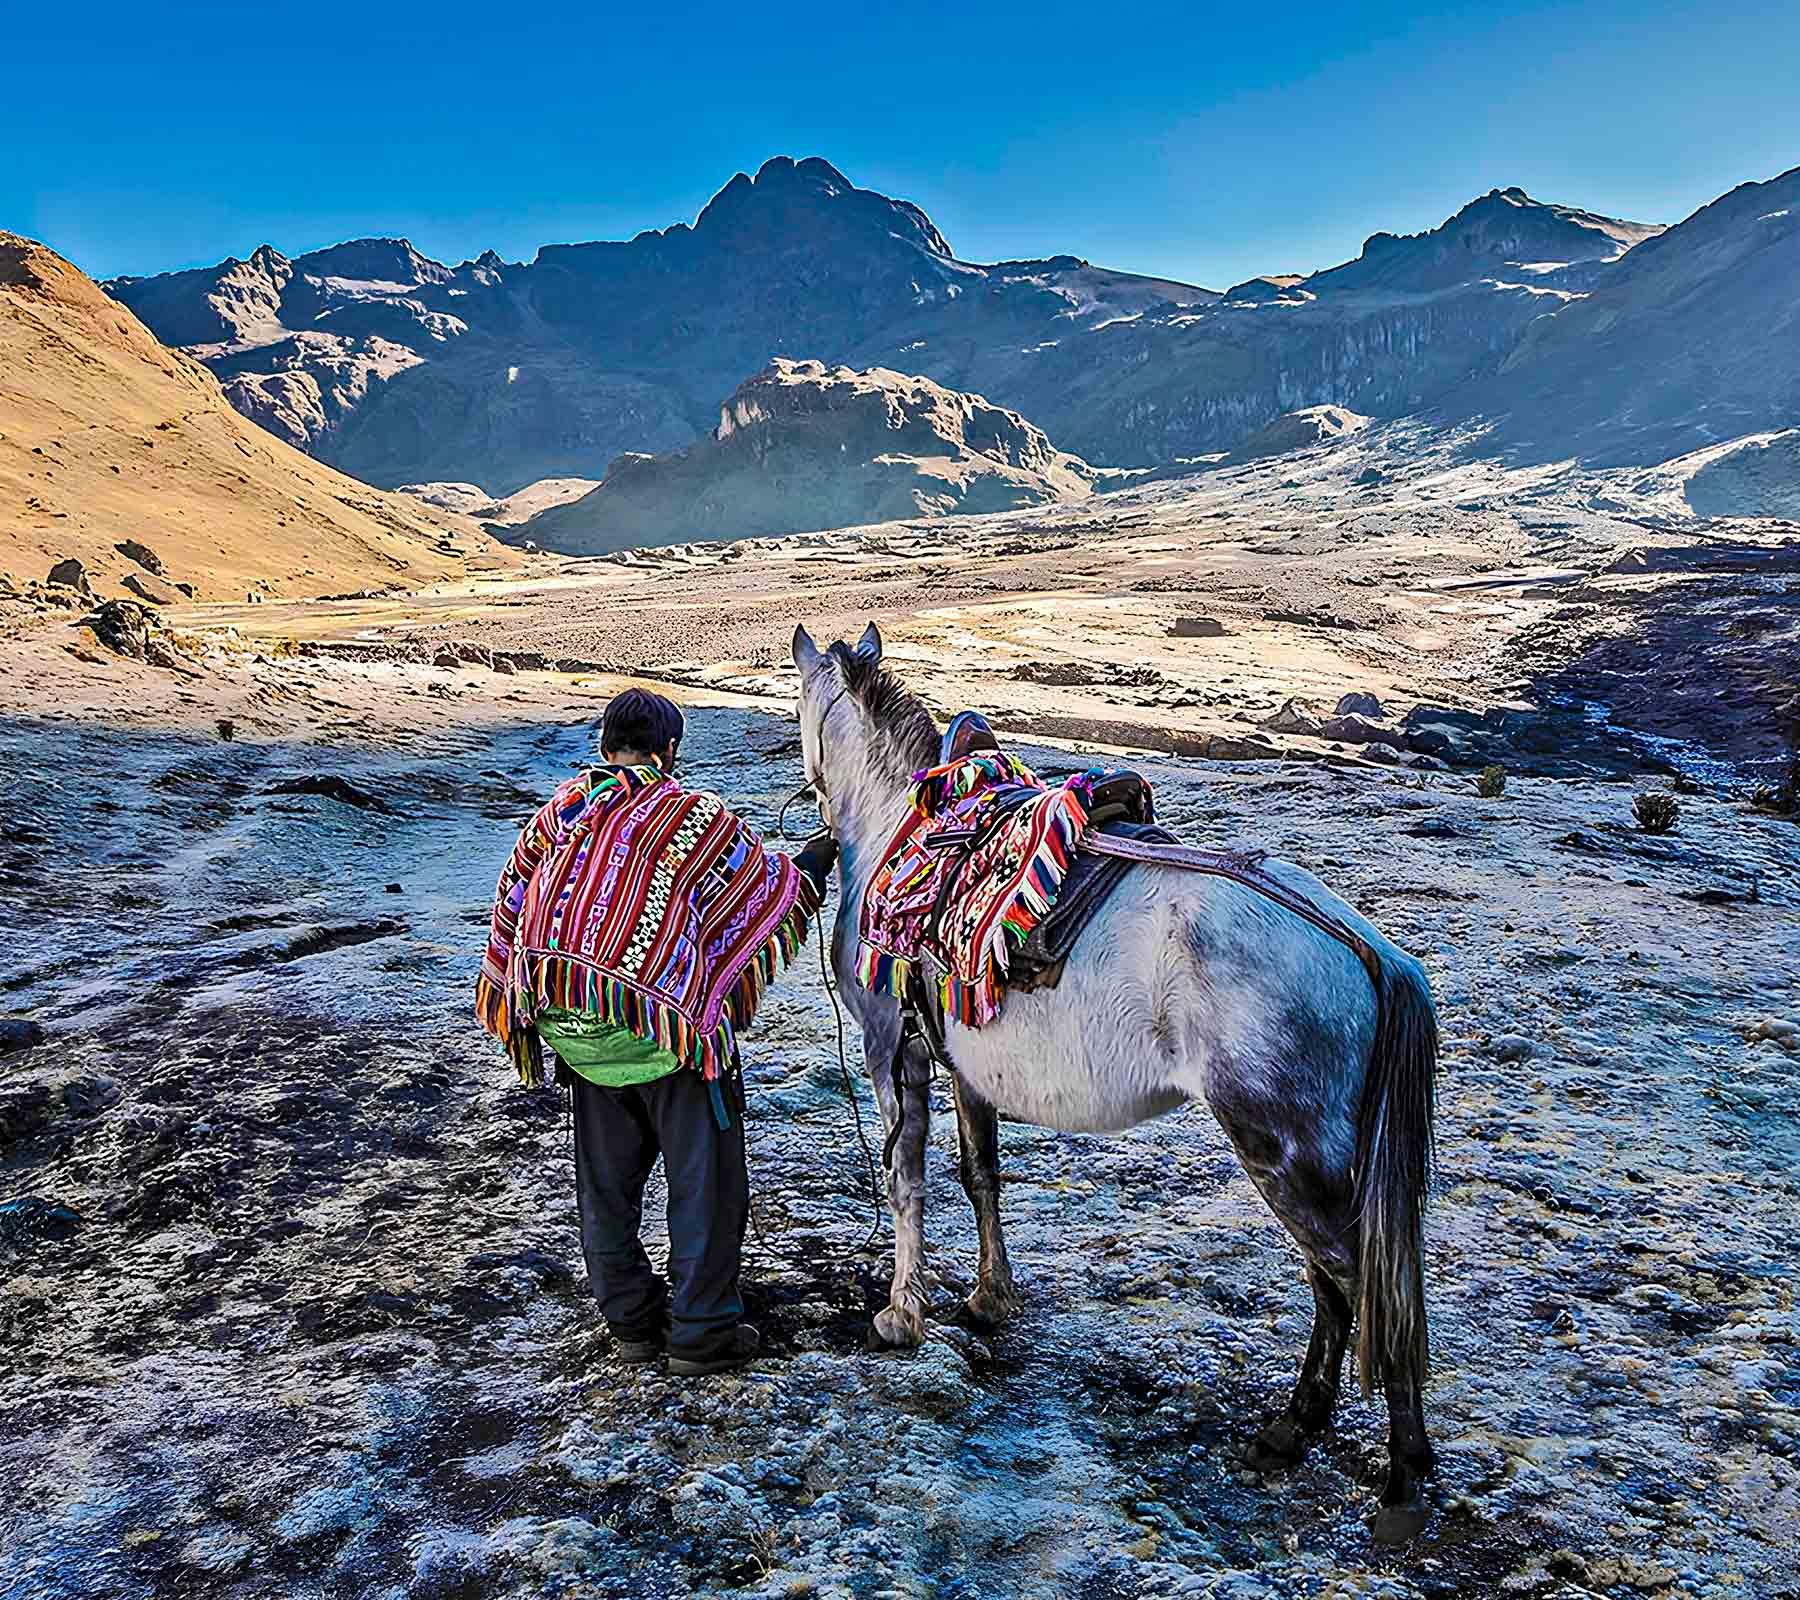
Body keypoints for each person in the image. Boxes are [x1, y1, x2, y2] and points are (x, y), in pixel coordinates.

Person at [476, 688, 836, 1376]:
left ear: (605, 744)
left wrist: (541, 996)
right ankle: (701, 1331)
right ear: (669, 750)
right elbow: (764, 894)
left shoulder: (558, 812)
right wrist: (820, 857)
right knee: (707, 1181)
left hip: (574, 1030)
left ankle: (632, 1323)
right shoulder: (688, 814)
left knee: (604, 1187)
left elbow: (512, 907)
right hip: (665, 1036)